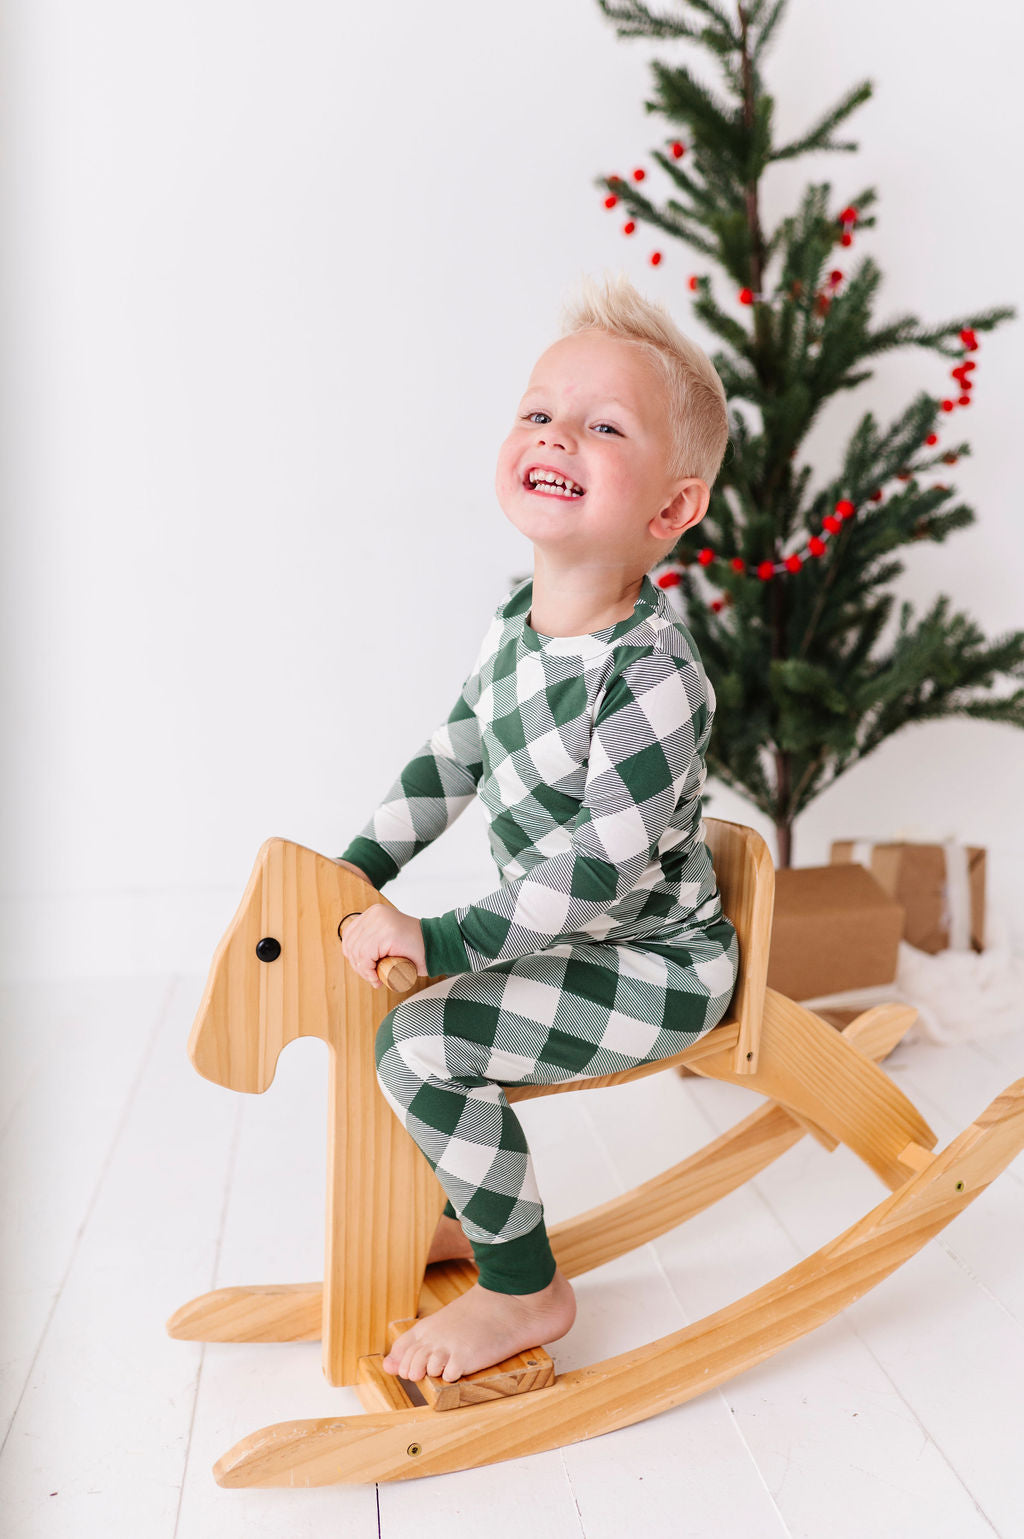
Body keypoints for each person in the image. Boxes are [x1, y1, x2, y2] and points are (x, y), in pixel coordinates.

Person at [335, 269, 739, 1387]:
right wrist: (353, 870)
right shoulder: (514, 626)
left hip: (655, 961)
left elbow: (598, 870)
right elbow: (452, 757)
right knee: (404, 1023)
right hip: (575, 941)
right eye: (540, 411)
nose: (557, 433)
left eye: (603, 426)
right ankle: (478, 1207)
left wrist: (440, 938)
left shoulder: (650, 675)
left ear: (671, 511)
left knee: (423, 1043)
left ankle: (524, 1289)